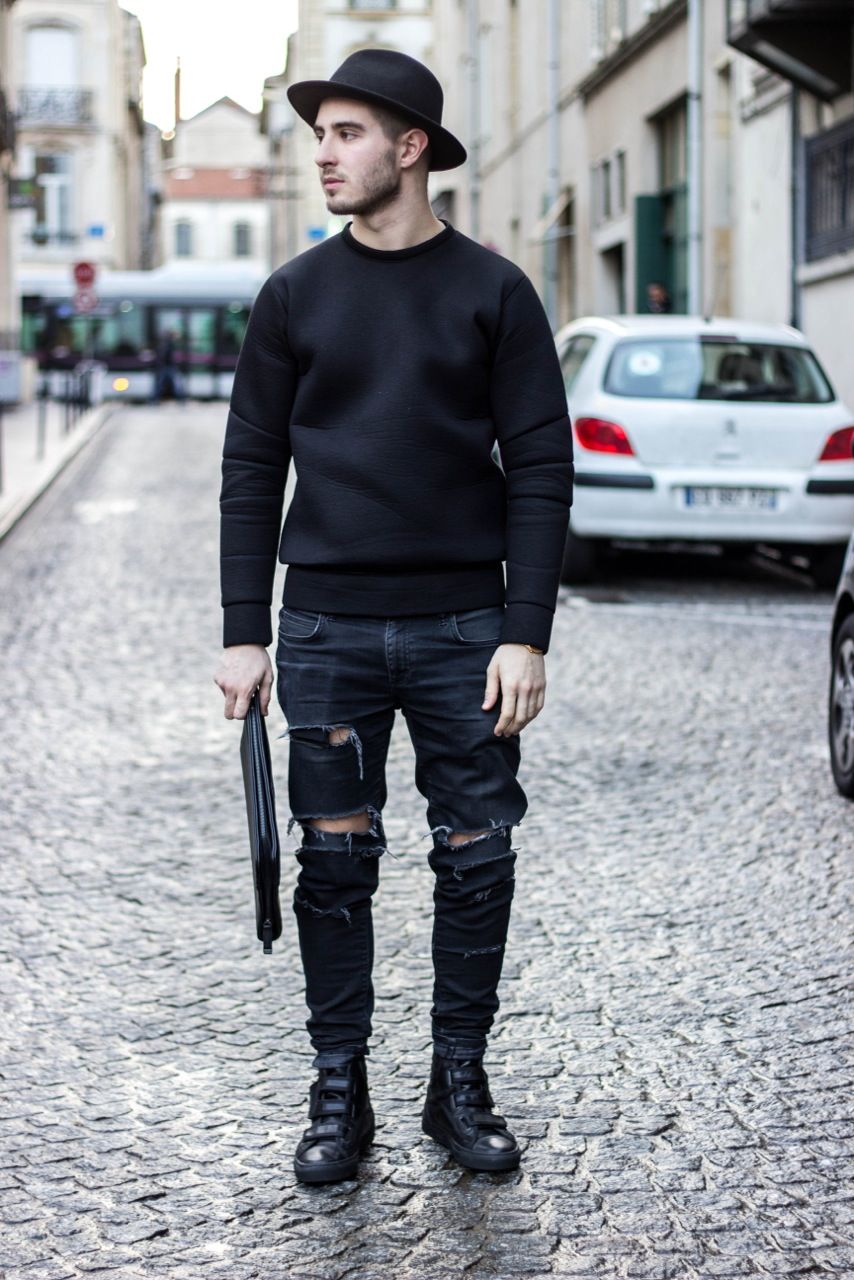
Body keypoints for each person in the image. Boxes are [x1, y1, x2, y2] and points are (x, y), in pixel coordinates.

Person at [214, 48, 574, 1185]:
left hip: (466, 627)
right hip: (325, 628)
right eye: (319, 133)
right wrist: (244, 630)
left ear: (410, 147)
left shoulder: (494, 292)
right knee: (334, 862)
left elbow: (541, 469)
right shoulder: (293, 295)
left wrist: (525, 630)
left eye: (348, 132)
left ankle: (456, 1079)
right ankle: (340, 1086)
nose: (323, 153)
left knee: (478, 856)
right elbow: (250, 467)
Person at [151, 328, 185, 403]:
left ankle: (154, 400)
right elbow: (166, 356)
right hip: (168, 367)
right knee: (176, 385)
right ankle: (182, 401)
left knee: (161, 385)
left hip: (166, 367)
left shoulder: (165, 343)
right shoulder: (168, 344)